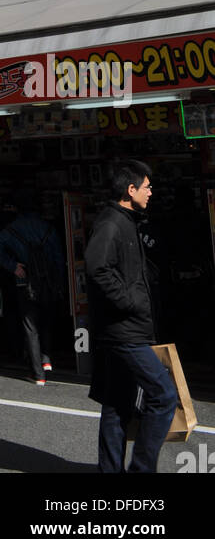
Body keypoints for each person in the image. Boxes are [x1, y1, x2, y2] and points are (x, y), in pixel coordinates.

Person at [85, 160, 177, 473]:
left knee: (117, 403)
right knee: (164, 395)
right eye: (147, 186)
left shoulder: (127, 219)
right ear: (130, 189)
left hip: (124, 328)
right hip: (124, 332)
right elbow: (97, 267)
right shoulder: (113, 222)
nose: (151, 191)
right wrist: (128, 303)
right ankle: (142, 469)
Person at [0, 190, 64, 385]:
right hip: (48, 281)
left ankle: (38, 374)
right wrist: (59, 281)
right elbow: (58, 258)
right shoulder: (48, 228)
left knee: (30, 326)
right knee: (47, 319)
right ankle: (46, 359)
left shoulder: (13, 228)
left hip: (25, 281)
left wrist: (13, 265)